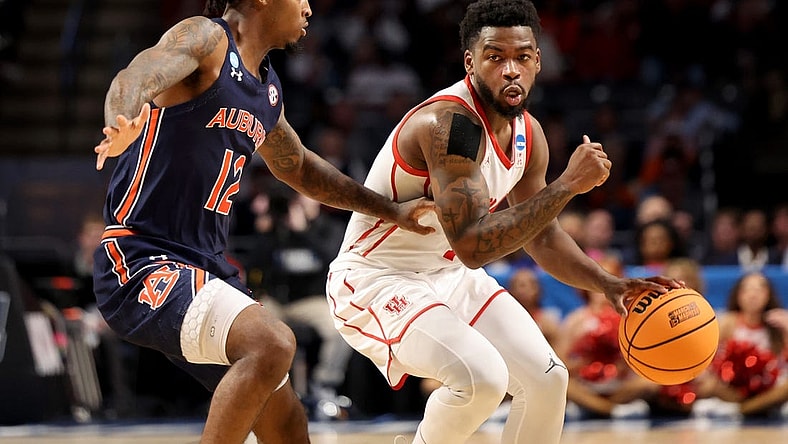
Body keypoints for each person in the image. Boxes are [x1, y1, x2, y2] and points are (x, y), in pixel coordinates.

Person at [325, 1, 678, 443]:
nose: (511, 70)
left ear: (538, 61)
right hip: (378, 279)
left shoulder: (530, 134)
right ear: (471, 63)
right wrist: (567, 185)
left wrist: (607, 283)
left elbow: (543, 235)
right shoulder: (449, 126)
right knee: (482, 378)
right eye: (496, 57)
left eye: (522, 57)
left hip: (449, 275)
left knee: (548, 380)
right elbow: (474, 247)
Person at [91, 1, 434, 443]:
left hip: (206, 269)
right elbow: (137, 75)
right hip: (141, 258)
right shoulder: (207, 39)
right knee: (271, 342)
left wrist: (391, 210)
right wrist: (121, 118)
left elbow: (302, 170)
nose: (310, 7)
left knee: (288, 425)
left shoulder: (266, 90)